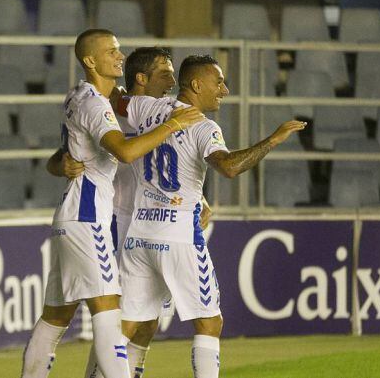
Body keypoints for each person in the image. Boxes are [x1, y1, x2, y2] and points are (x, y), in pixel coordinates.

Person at [21, 29, 205, 378]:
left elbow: (61, 156)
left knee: (55, 317)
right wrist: (175, 124)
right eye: (111, 52)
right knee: (108, 314)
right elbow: (124, 151)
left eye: (119, 51)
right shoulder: (95, 104)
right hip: (90, 218)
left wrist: (61, 164)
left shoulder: (80, 95)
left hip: (72, 217)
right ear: (90, 60)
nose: (119, 56)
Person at [115, 54, 305, 378]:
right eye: (218, 82)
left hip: (140, 233)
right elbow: (228, 166)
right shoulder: (204, 126)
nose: (225, 90)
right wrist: (273, 140)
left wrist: (116, 87)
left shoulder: (148, 108)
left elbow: (116, 101)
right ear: (196, 84)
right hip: (179, 236)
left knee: (129, 326)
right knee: (209, 322)